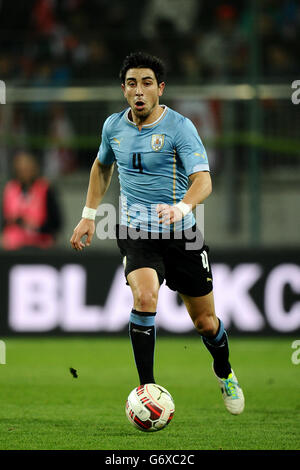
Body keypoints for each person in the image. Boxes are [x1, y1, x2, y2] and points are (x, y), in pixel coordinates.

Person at [70, 51, 244, 415]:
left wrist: (182, 207)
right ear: (123, 89)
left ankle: (224, 371)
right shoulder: (113, 127)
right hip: (136, 231)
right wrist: (89, 215)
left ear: (160, 89)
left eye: (147, 83)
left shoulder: (180, 127)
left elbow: (204, 181)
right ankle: (147, 388)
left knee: (205, 323)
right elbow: (101, 167)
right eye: (132, 83)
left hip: (183, 234)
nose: (139, 90)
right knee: (145, 298)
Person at [1, 152, 62, 250]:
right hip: (14, 244)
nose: (24, 172)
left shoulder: (45, 189)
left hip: (41, 242)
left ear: (34, 168)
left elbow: (56, 222)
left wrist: (35, 228)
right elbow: (4, 220)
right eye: (21, 169)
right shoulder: (10, 189)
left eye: (27, 168)